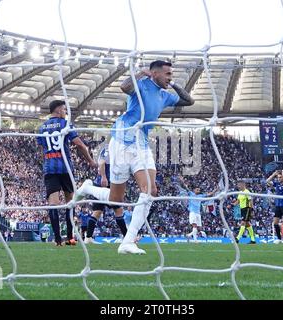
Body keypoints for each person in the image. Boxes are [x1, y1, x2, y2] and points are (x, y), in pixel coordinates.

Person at [75, 60, 194, 254]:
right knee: (116, 199)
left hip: (142, 143)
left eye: (171, 74)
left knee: (151, 190)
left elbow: (189, 101)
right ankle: (88, 188)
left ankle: (128, 242)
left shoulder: (165, 96)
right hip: (122, 138)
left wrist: (172, 84)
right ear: (155, 73)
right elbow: (124, 87)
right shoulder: (141, 85)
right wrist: (142, 73)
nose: (170, 77)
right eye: (168, 74)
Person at [37, 100, 96, 246]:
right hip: (65, 169)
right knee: (70, 202)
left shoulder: (41, 128)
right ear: (58, 110)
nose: (65, 112)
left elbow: (41, 149)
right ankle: (70, 237)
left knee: (53, 204)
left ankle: (57, 240)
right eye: (64, 109)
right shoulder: (65, 124)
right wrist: (90, 160)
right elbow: (79, 144)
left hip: (50, 169)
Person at [75, 145, 127, 244]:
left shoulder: (117, 149)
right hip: (105, 184)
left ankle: (88, 238)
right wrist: (104, 177)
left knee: (97, 212)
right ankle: (127, 238)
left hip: (104, 183)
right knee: (118, 210)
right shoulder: (110, 148)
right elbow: (102, 162)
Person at [178, 176, 217, 242]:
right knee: (194, 225)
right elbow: (185, 187)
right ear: (194, 190)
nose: (198, 191)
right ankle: (195, 240)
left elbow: (209, 194)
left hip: (198, 213)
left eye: (199, 190)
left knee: (199, 228)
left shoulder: (200, 196)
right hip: (192, 212)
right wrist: (182, 180)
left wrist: (215, 190)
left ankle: (188, 235)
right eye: (197, 190)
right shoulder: (191, 193)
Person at [266, 170, 283, 244]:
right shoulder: (277, 184)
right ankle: (279, 239)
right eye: (278, 177)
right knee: (275, 222)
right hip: (278, 205)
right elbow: (267, 181)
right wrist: (273, 174)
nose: (278, 179)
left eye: (280, 177)